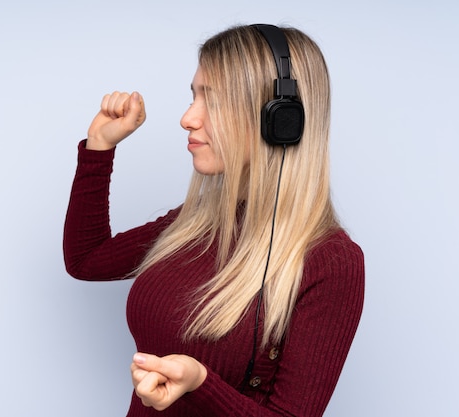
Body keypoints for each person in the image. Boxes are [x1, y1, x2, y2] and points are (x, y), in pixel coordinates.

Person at [63, 23, 365, 417]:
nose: (188, 118)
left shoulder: (330, 263)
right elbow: (87, 261)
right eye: (194, 96)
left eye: (215, 101)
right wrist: (99, 149)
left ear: (281, 120)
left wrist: (201, 384)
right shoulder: (194, 222)